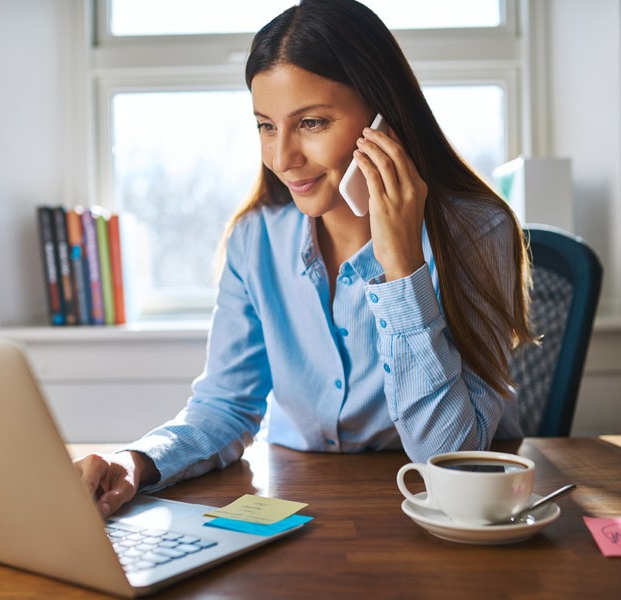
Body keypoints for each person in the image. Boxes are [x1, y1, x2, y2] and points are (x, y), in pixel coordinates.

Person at [74, 0, 534, 517]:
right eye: (266, 126)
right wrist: (136, 463)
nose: (282, 158)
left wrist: (403, 268)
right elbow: (226, 405)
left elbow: (448, 459)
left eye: (311, 122)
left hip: (435, 515)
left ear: (384, 118)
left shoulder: (476, 231)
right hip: (297, 505)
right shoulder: (255, 238)